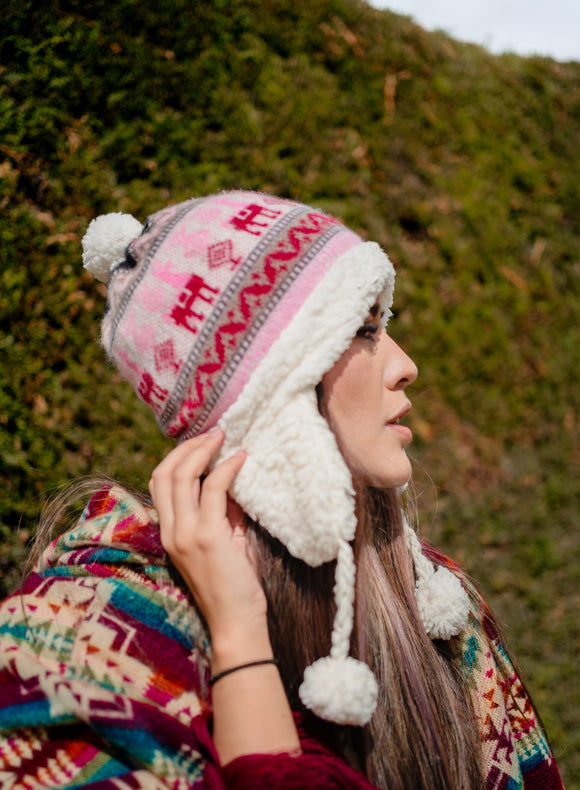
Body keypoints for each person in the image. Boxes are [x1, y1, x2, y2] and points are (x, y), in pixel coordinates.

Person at [0, 191, 564, 789]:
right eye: (363, 330)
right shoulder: (79, 639)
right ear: (272, 398)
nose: (405, 366)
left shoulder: (435, 600)